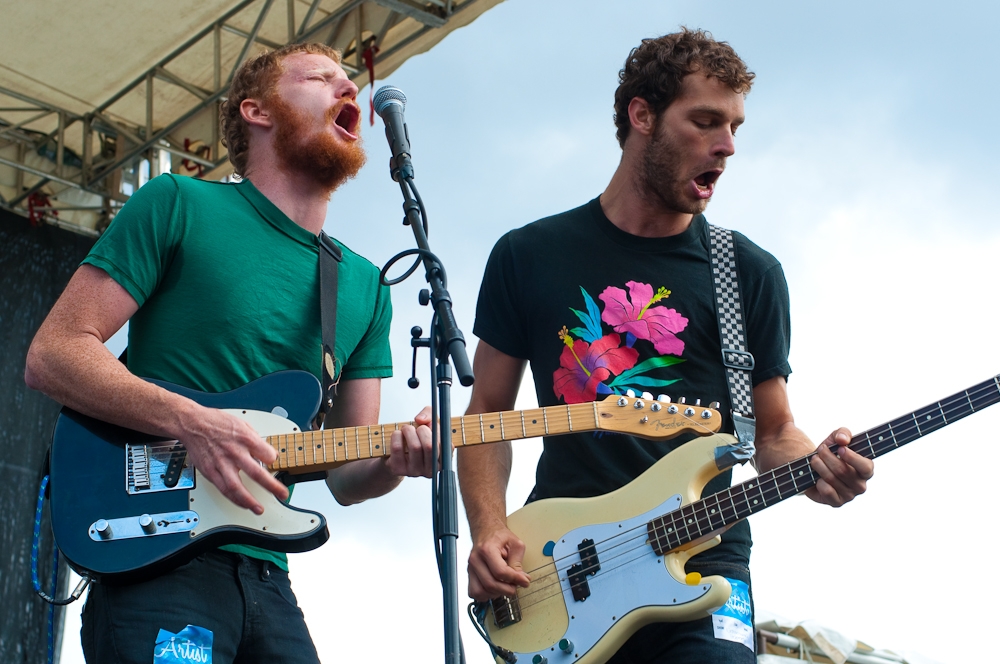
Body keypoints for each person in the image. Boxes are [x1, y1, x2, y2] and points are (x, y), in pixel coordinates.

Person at [456, 28, 875, 663]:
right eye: (705, 121)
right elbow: (488, 412)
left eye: (735, 127)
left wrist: (813, 466)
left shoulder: (749, 273)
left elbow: (773, 429)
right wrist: (489, 528)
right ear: (642, 115)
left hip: (706, 566)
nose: (727, 146)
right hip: (563, 570)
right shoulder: (528, 254)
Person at [24, 43, 434, 663]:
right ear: (256, 111)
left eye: (349, 83)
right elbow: (54, 353)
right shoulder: (179, 204)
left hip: (269, 575)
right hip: (155, 561)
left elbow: (348, 476)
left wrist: (397, 462)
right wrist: (192, 423)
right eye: (321, 78)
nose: (346, 90)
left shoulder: (365, 286)